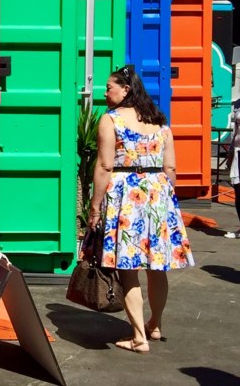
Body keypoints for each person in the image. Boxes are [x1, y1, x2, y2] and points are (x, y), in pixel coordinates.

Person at [86, 65, 195, 354]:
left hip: (126, 195)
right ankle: (155, 325)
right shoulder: (159, 122)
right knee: (157, 266)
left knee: (128, 267)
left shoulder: (111, 120)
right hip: (158, 193)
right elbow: (171, 167)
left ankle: (138, 337)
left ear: (127, 90)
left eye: (109, 87)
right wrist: (165, 201)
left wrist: (95, 206)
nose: (105, 92)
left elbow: (105, 165)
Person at [223, 98, 240, 238]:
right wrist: (229, 153)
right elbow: (235, 130)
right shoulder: (238, 103)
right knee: (238, 192)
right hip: (237, 152)